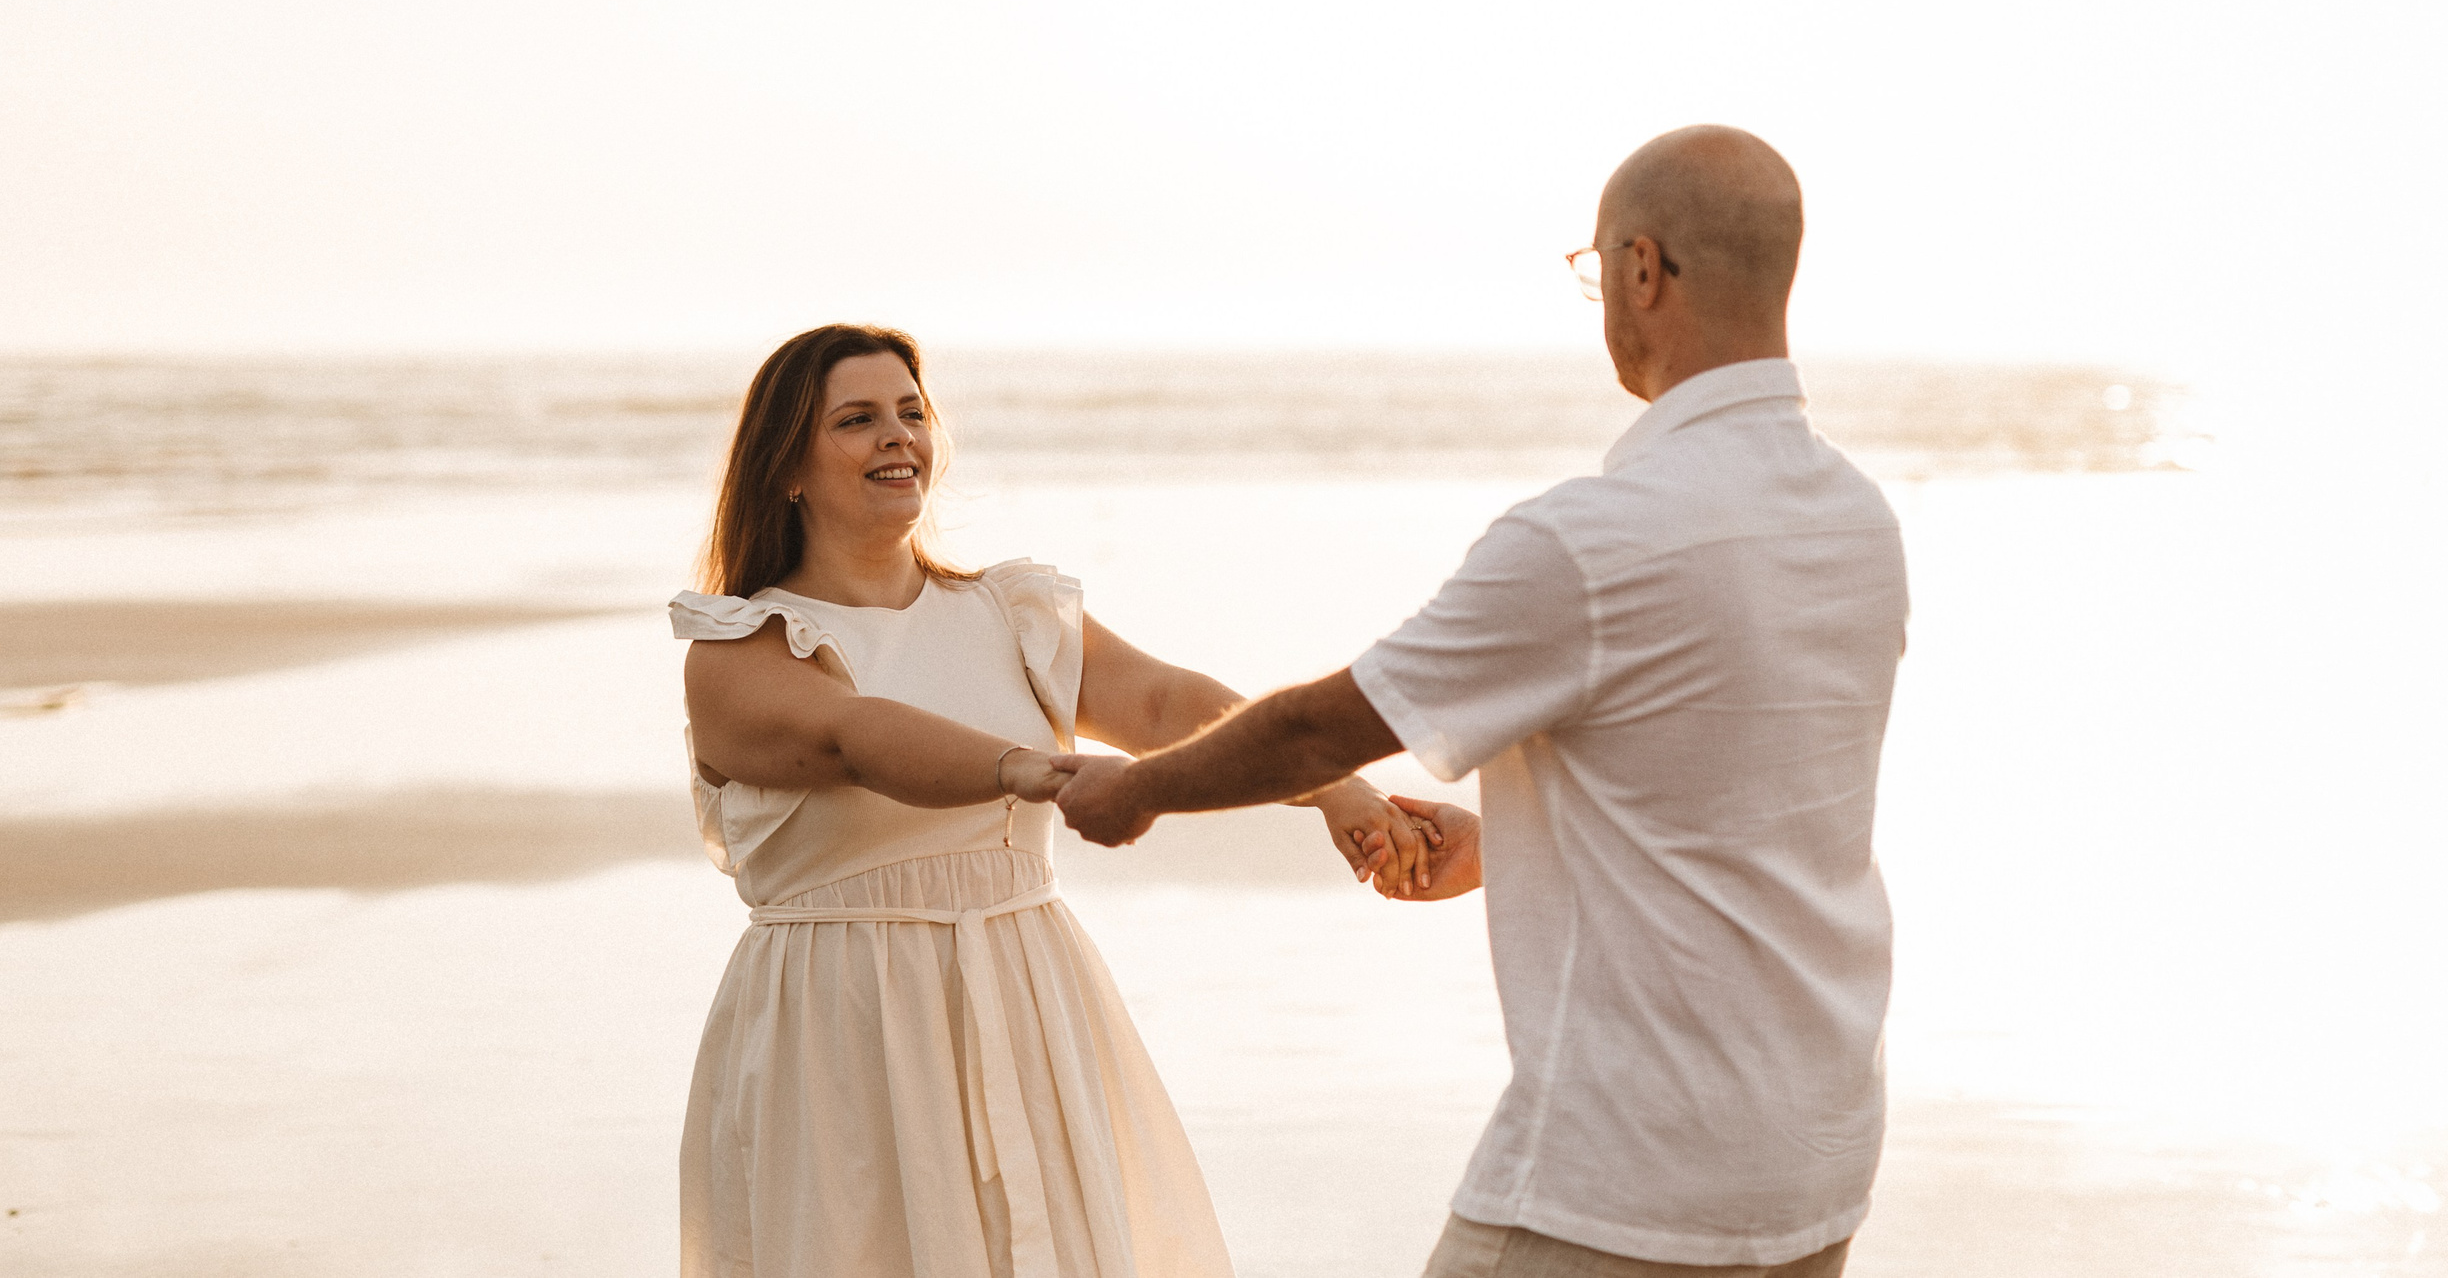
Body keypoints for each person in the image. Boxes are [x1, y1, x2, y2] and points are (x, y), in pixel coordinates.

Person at [1053, 126, 1911, 1278]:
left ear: (1641, 271)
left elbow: (1319, 727)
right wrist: (1513, 840)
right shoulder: (1856, 520)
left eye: (1595, 267)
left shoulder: (1593, 541)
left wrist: (1139, 789)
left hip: (1622, 1176)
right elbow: (1734, 803)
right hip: (1813, 1157)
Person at [669, 322, 1434, 1278]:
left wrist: (1335, 786)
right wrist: (1030, 768)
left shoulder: (1011, 613)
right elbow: (853, 737)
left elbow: (1165, 701)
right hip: (844, 1017)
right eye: (857, 420)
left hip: (1026, 987)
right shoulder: (740, 646)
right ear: (786, 464)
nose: (897, 437)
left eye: (912, 413)